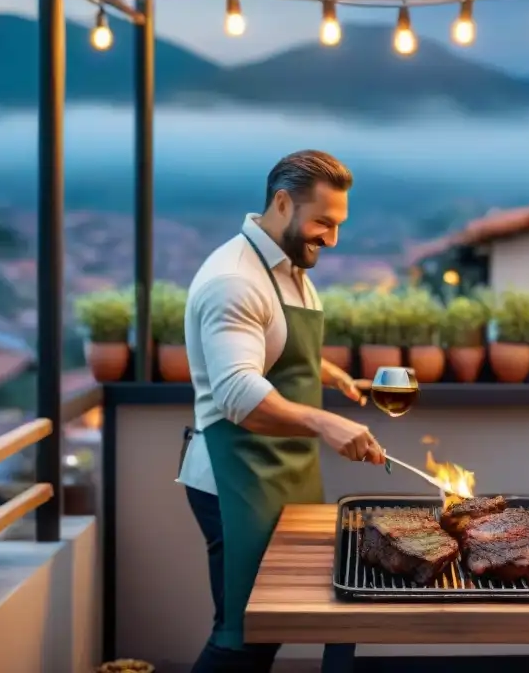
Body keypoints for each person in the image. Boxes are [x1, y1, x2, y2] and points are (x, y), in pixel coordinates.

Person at [176, 150, 386, 673]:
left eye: (339, 225)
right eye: (323, 222)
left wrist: (324, 371)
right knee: (243, 635)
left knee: (271, 629)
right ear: (282, 202)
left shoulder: (292, 268)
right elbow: (239, 393)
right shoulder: (235, 280)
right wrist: (324, 421)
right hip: (235, 475)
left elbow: (272, 347)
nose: (332, 238)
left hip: (280, 470)